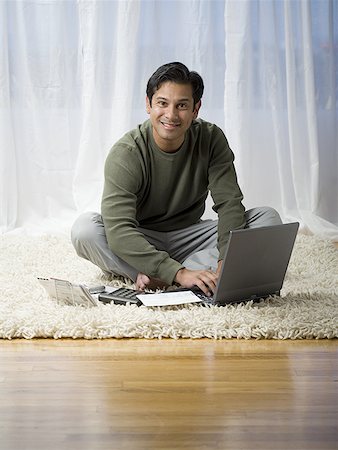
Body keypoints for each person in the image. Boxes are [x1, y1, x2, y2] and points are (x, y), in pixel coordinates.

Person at [71, 62, 282, 296]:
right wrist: (178, 273)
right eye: (162, 103)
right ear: (148, 104)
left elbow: (229, 204)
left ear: (196, 109)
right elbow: (120, 230)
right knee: (85, 230)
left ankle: (166, 273)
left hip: (190, 235)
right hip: (141, 235)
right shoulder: (127, 152)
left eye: (182, 105)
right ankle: (154, 273)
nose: (171, 115)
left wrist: (226, 259)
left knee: (268, 218)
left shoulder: (211, 139)